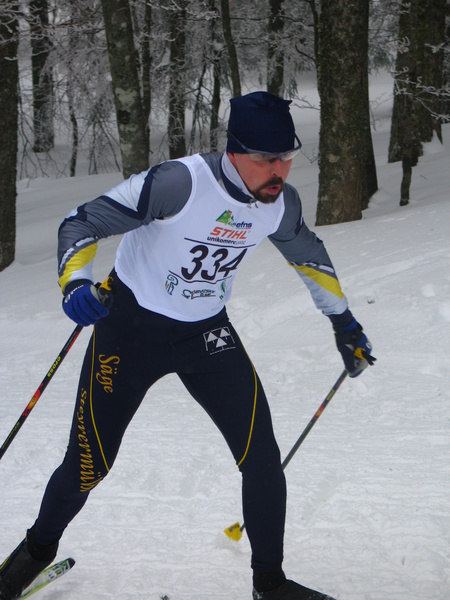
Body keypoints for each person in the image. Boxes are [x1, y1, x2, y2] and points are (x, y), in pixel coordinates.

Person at [0, 91, 374, 600]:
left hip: (205, 335)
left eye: (287, 157)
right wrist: (76, 284)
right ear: (234, 151)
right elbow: (81, 222)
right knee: (89, 464)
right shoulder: (179, 183)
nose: (279, 171)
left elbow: (309, 256)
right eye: (267, 158)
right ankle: (29, 559)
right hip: (130, 330)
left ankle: (270, 583)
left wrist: (344, 323)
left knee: (261, 456)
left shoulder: (279, 203)